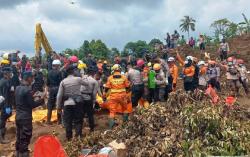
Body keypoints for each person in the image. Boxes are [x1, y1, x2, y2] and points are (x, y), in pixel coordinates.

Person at [15, 71, 44, 157]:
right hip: (25, 118)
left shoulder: (17, 88)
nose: (33, 79)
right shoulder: (27, 90)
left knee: (19, 137)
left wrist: (32, 97)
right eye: (32, 77)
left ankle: (18, 153)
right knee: (25, 138)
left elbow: (22, 100)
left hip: (18, 116)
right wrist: (41, 100)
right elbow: (32, 105)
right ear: (28, 78)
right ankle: (24, 154)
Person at [56, 65, 88, 140]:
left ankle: (69, 138)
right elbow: (86, 84)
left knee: (68, 121)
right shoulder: (78, 79)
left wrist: (58, 107)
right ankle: (78, 136)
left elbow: (59, 95)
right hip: (78, 103)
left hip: (67, 104)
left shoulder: (63, 81)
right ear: (73, 72)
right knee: (78, 120)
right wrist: (83, 76)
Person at [103, 64, 131, 129]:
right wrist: (128, 97)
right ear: (120, 69)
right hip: (122, 96)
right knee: (125, 109)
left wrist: (104, 96)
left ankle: (111, 128)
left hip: (113, 97)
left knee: (112, 112)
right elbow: (128, 87)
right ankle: (125, 126)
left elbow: (106, 88)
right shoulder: (124, 77)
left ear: (113, 70)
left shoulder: (110, 78)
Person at [80, 67, 100, 132]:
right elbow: (94, 94)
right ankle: (92, 129)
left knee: (81, 114)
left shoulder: (82, 78)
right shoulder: (94, 81)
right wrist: (94, 101)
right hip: (88, 98)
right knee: (90, 114)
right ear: (94, 74)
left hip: (80, 98)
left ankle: (79, 129)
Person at [47, 59, 63, 124]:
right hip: (58, 89)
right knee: (58, 104)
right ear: (57, 65)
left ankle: (48, 120)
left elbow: (47, 83)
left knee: (50, 105)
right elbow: (61, 82)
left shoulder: (49, 72)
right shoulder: (59, 72)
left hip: (51, 89)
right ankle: (59, 121)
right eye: (59, 66)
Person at [0, 67, 12, 144]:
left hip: (4, 102)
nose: (11, 73)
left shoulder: (3, 80)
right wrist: (7, 106)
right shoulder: (5, 82)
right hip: (5, 103)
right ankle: (2, 138)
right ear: (6, 73)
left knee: (3, 118)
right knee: (3, 119)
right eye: (10, 72)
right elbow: (5, 96)